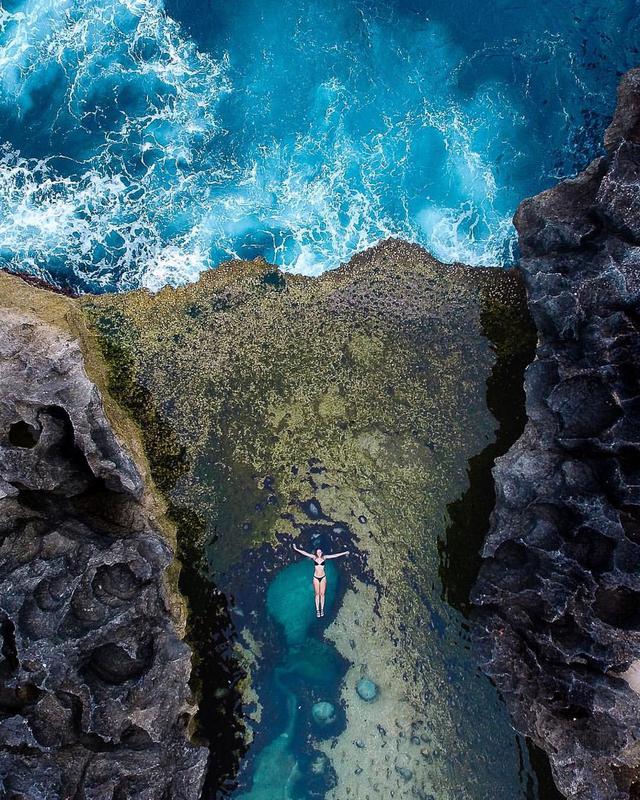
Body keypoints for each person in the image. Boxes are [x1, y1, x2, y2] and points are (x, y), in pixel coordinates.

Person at [292, 544, 349, 617]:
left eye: (320, 552)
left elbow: (335, 555)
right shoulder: (314, 558)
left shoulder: (324, 557)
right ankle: (317, 611)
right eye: (317, 552)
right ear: (316, 553)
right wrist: (296, 549)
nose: (318, 553)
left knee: (322, 594)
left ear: (322, 552)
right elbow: (305, 553)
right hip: (315, 577)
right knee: (317, 594)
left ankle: (322, 609)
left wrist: (344, 553)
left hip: (323, 577)